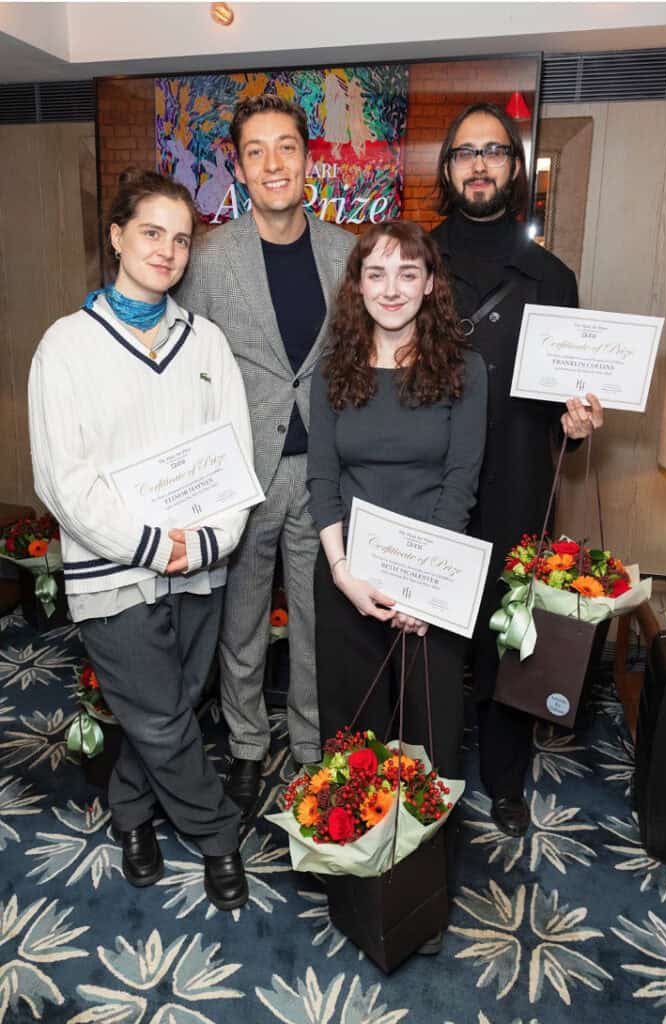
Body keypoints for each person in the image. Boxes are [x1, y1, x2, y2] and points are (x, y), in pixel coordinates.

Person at [28, 170, 254, 912]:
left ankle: (131, 814)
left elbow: (235, 457)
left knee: (179, 702)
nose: (167, 250)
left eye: (182, 238)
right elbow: (65, 483)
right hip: (114, 569)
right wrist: (158, 545)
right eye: (151, 232)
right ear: (118, 235)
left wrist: (210, 543)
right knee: (155, 712)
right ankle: (218, 833)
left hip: (201, 564)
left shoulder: (207, 342)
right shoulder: (66, 347)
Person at [176, 95, 355, 819]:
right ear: (239, 167)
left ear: (308, 159)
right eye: (257, 151)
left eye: (287, 147)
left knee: (318, 622)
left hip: (324, 471)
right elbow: (186, 360)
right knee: (242, 622)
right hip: (241, 472)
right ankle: (247, 745)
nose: (274, 163)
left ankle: (311, 748)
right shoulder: (213, 257)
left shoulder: (346, 253)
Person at [431, 102, 604, 837]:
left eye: (493, 151)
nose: (478, 164)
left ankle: (505, 778)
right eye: (465, 152)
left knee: (511, 635)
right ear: (446, 169)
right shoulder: (415, 259)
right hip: (431, 480)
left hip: (519, 477)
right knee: (430, 629)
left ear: (513, 168)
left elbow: (571, 396)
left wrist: (579, 423)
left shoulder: (552, 276)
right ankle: (430, 769)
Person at [307, 219, 487, 784]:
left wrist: (424, 593)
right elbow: (321, 479)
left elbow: (461, 484)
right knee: (351, 731)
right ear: (356, 284)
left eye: (407, 273)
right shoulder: (332, 371)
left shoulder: (466, 371)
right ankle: (352, 861)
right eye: (376, 273)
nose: (391, 289)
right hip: (348, 575)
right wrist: (340, 572)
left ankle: (419, 866)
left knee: (428, 734)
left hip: (432, 579)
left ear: (430, 283)